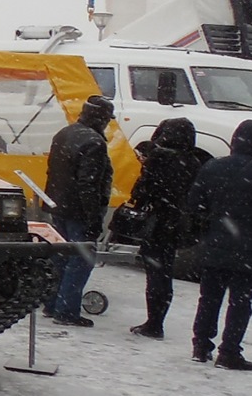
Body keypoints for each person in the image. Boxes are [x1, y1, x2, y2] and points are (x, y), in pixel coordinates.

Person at [184, 119, 252, 370]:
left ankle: (201, 346)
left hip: (215, 247)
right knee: (240, 303)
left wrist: (210, 230)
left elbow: (194, 206)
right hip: (251, 251)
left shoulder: (212, 167)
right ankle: (229, 351)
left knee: (209, 299)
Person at [124, 118, 208, 338]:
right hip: (177, 224)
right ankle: (158, 320)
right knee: (165, 273)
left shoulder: (158, 159)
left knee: (154, 274)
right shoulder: (194, 162)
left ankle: (153, 323)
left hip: (157, 223)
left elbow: (141, 193)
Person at [44, 93, 116, 326]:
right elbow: (89, 184)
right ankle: (66, 311)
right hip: (79, 211)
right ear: (101, 118)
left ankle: (51, 303)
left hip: (59, 206)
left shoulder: (64, 133)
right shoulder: (94, 143)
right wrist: (93, 217)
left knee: (60, 257)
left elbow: (53, 172)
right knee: (80, 260)